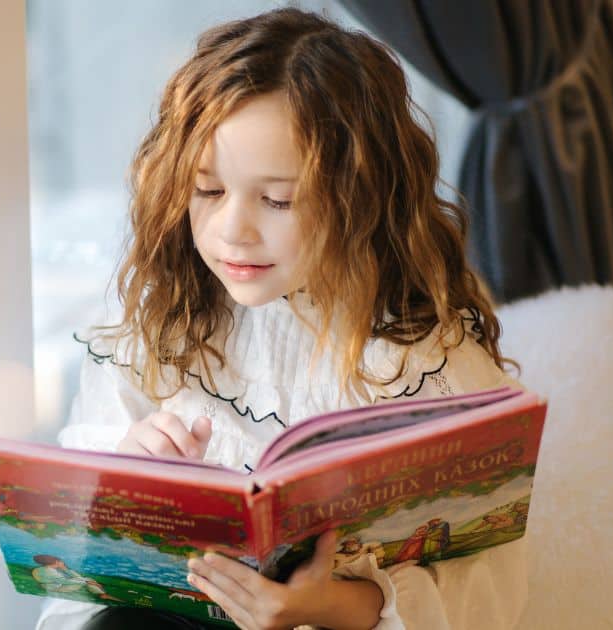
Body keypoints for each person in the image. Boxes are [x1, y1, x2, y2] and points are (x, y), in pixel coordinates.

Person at [36, 7, 528, 630]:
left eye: (277, 199)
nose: (230, 229)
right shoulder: (160, 320)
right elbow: (74, 573)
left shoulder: (428, 366)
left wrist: (323, 605)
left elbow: (488, 597)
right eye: (207, 190)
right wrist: (129, 486)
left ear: (361, 198)